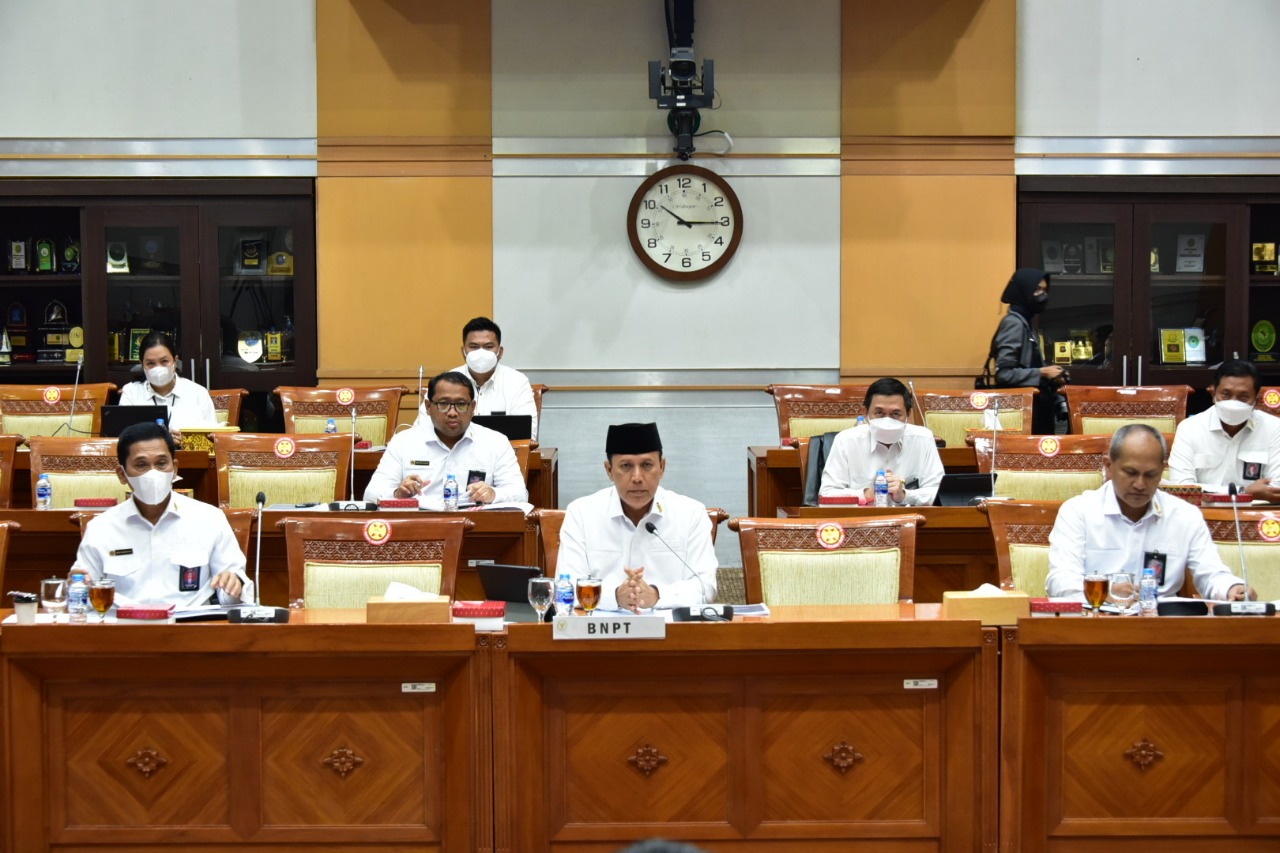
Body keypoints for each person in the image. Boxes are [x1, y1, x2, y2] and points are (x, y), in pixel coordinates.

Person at [1046, 424, 1253, 601]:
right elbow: (1061, 581)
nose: (1140, 484)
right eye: (1131, 473)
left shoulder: (1184, 515)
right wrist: (1105, 592)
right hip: (1095, 624)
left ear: (1162, 470)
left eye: (1151, 475)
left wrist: (1231, 589)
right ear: (1108, 466)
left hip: (1161, 631)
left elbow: (1211, 573)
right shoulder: (1078, 511)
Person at [71, 422, 250, 608]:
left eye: (161, 463)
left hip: (189, 630)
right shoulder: (101, 528)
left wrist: (233, 586)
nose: (153, 473)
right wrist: (78, 586)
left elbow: (234, 595)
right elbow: (84, 598)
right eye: (141, 465)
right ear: (122, 474)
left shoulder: (209, 519)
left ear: (175, 469)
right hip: (124, 629)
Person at [558, 423, 717, 613]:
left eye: (647, 465)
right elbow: (565, 588)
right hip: (601, 632)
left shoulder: (690, 513)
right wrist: (615, 596)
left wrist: (656, 595)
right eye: (626, 466)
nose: (637, 477)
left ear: (662, 467)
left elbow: (706, 586)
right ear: (609, 470)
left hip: (670, 633)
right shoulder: (582, 513)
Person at [365, 370, 527, 507]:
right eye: (443, 404)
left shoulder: (495, 442)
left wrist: (493, 494)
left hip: (474, 528)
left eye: (461, 404)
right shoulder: (403, 442)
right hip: (420, 527)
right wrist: (397, 493)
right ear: (428, 407)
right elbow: (371, 495)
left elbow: (519, 494)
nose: (452, 412)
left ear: (473, 408)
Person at [818, 377, 944, 506]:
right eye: (879, 413)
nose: (887, 421)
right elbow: (826, 495)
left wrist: (904, 495)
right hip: (863, 521)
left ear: (908, 414)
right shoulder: (846, 440)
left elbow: (938, 492)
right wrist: (865, 494)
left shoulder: (923, 439)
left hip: (911, 519)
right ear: (866, 413)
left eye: (896, 414)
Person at [1168, 359, 1280, 500]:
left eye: (1243, 397)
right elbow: (1182, 488)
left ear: (1255, 401)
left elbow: (1276, 488)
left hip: (1255, 515)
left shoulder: (1274, 428)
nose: (1233, 402)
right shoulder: (1190, 428)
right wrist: (1244, 491)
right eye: (1226, 394)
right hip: (1202, 514)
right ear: (1214, 394)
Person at [415, 316, 539, 439]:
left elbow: (528, 435)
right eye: (474, 347)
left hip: (500, 455)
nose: (481, 353)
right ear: (463, 352)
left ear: (500, 352)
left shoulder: (517, 382)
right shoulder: (444, 382)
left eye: (488, 346)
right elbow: (420, 430)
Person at [988, 267, 1066, 435]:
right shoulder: (1014, 323)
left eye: (1045, 290)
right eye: (1037, 289)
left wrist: (1051, 375)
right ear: (1024, 290)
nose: (1043, 295)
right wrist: (1042, 373)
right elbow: (1004, 374)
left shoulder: (1024, 322)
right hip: (1024, 415)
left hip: (1035, 411)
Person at [118, 331, 218, 436]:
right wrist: (160, 437)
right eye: (150, 363)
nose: (158, 368)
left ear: (175, 361)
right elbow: (124, 438)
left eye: (164, 361)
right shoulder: (131, 393)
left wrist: (185, 441)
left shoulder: (198, 393)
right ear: (141, 364)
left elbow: (213, 437)